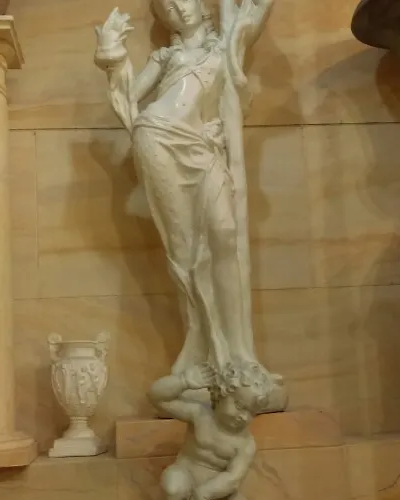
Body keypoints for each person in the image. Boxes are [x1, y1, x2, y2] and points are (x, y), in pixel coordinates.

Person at [94, 0, 274, 376]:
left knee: (225, 232)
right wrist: (113, 56)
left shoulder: (226, 44)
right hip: (157, 138)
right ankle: (204, 348)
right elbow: (128, 96)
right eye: (169, 7)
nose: (179, 9)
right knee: (185, 249)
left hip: (203, 148)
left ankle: (237, 350)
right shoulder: (166, 57)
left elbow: (255, 15)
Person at [148, 361, 271, 500]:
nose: (244, 417)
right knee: (174, 485)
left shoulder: (246, 444)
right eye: (239, 406)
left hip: (217, 491)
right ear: (222, 394)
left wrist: (204, 494)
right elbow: (157, 398)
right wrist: (184, 381)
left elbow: (233, 479)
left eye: (252, 413)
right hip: (187, 475)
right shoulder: (199, 415)